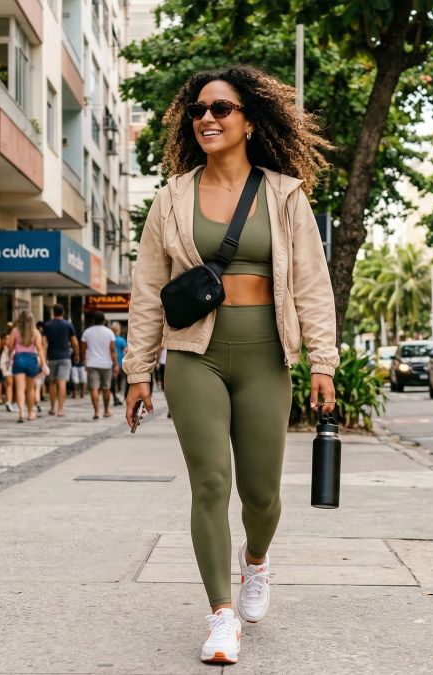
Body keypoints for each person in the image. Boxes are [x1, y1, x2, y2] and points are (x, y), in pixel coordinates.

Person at [121, 66, 339, 665]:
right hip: (195, 354)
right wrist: (139, 371)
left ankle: (257, 562)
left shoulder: (284, 193)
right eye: (198, 110)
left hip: (267, 353)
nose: (208, 118)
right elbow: (147, 290)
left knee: (262, 492)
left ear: (248, 120)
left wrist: (323, 360)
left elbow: (313, 285)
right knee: (211, 481)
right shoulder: (171, 197)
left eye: (221, 108)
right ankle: (221, 616)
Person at [7, 310, 45, 422]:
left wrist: (9, 357)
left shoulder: (14, 331)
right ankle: (31, 413)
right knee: (30, 389)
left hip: (18, 359)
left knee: (19, 388)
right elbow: (39, 348)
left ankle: (21, 413)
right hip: (31, 359)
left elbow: (10, 347)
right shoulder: (36, 332)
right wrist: (43, 362)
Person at [41, 304, 79, 417]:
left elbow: (43, 343)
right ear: (63, 312)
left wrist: (43, 358)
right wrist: (77, 354)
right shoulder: (68, 325)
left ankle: (52, 408)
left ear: (53, 312)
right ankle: (60, 410)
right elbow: (75, 342)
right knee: (62, 382)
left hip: (52, 358)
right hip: (65, 357)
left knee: (52, 383)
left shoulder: (47, 325)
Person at [80, 312, 118, 419]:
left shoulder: (87, 332)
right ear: (104, 320)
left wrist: (85, 361)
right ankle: (106, 410)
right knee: (106, 388)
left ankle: (96, 412)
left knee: (94, 388)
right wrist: (115, 364)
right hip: (106, 364)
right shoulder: (109, 332)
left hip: (92, 363)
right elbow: (113, 350)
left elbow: (83, 350)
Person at [111, 322, 128, 405]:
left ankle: (115, 396)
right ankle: (121, 395)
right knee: (123, 380)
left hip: (112, 363)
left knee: (114, 381)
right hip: (121, 363)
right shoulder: (121, 340)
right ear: (119, 330)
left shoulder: (110, 339)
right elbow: (126, 351)